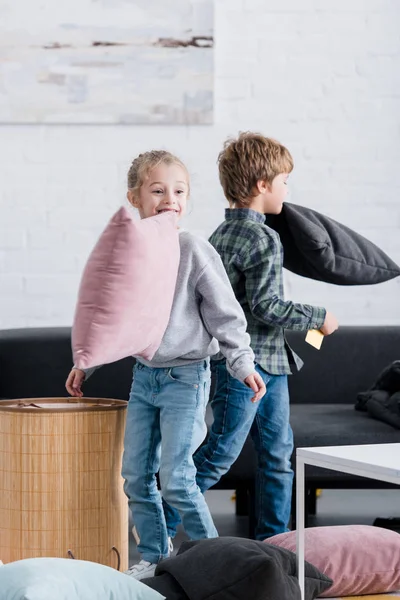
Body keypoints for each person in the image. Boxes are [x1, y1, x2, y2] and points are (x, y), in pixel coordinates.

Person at [65, 149, 266, 580]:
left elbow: (225, 314)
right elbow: (115, 317)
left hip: (187, 378)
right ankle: (157, 558)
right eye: (157, 190)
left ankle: (220, 563)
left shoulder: (193, 249)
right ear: (135, 198)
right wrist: (88, 363)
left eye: (179, 191)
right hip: (144, 379)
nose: (169, 199)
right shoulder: (133, 254)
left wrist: (241, 362)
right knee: (135, 476)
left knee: (176, 478)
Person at [164, 133, 339, 541]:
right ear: (262, 185)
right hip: (247, 367)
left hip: (264, 364)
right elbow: (266, 306)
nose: (287, 189)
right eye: (284, 180)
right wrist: (320, 316)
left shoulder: (216, 237)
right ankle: (160, 535)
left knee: (275, 454)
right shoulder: (263, 238)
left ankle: (271, 546)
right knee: (223, 453)